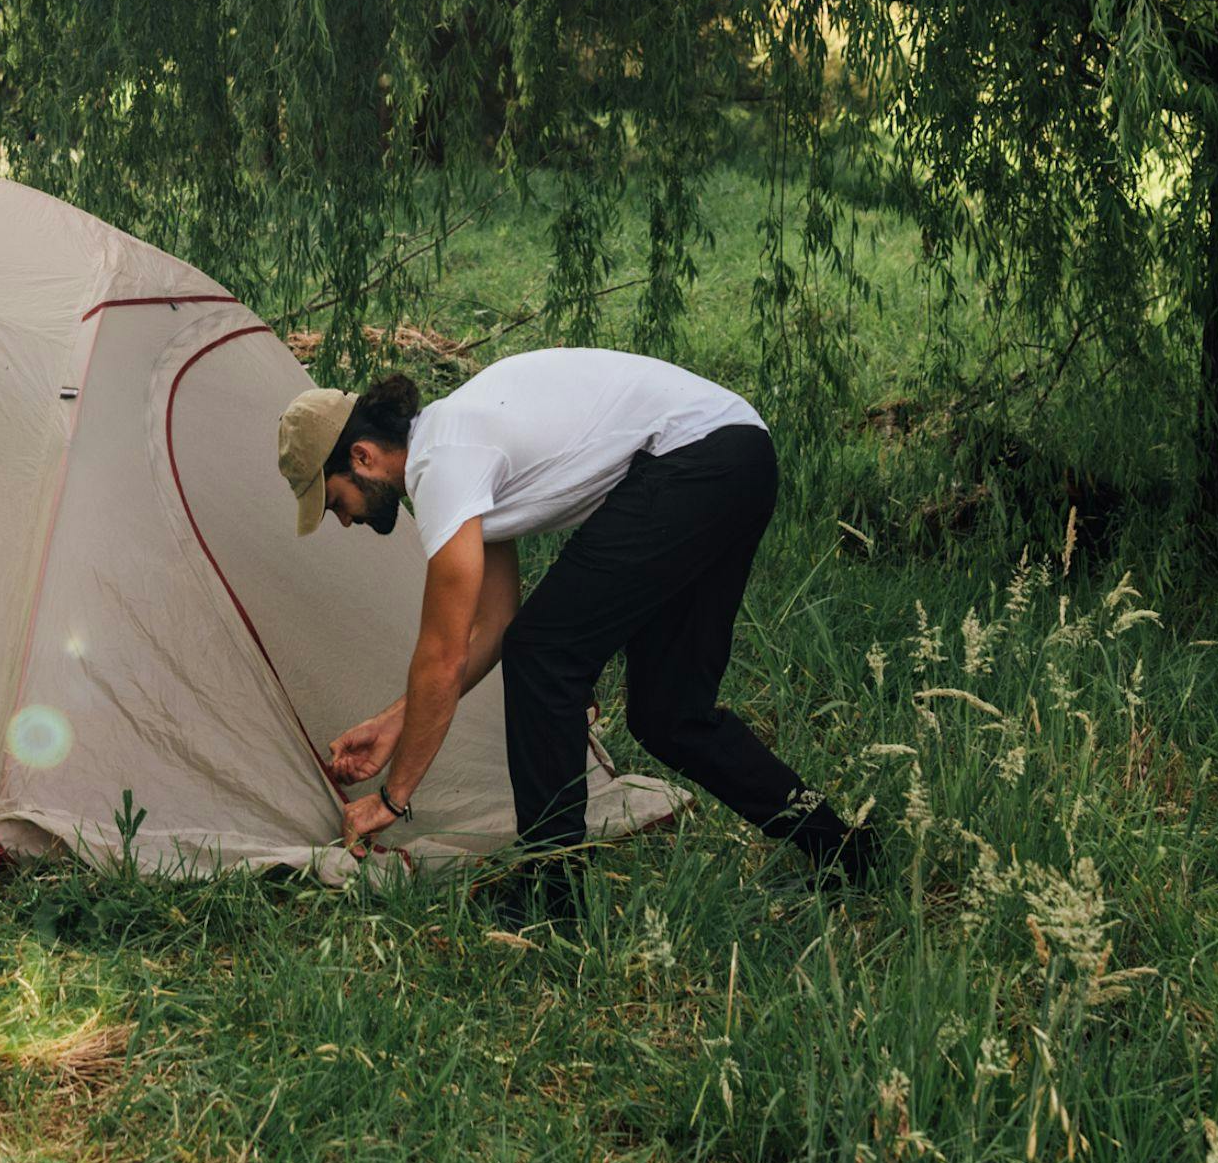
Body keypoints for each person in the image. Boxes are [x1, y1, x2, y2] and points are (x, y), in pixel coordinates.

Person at [277, 348, 875, 924]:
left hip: (697, 456)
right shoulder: (460, 449)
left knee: (546, 654)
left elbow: (443, 653)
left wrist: (391, 798)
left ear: (361, 457)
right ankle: (842, 847)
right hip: (738, 457)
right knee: (668, 714)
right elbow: (492, 628)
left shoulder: (443, 463)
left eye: (334, 502)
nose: (345, 519)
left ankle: (550, 893)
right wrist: (395, 723)